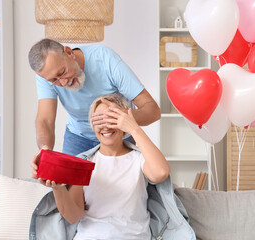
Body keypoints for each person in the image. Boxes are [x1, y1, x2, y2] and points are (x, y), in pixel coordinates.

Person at [30, 94, 195, 239]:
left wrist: (134, 127)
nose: (105, 125)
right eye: (99, 119)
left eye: (112, 118)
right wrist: (58, 190)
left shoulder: (139, 160)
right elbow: (74, 217)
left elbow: (160, 173)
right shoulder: (84, 164)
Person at [28, 38, 160, 157]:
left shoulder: (105, 59)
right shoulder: (45, 76)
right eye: (54, 80)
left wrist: (121, 117)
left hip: (117, 135)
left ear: (69, 52)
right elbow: (45, 120)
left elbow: (153, 111)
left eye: (62, 73)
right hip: (79, 137)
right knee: (66, 182)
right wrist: (44, 150)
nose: (62, 83)